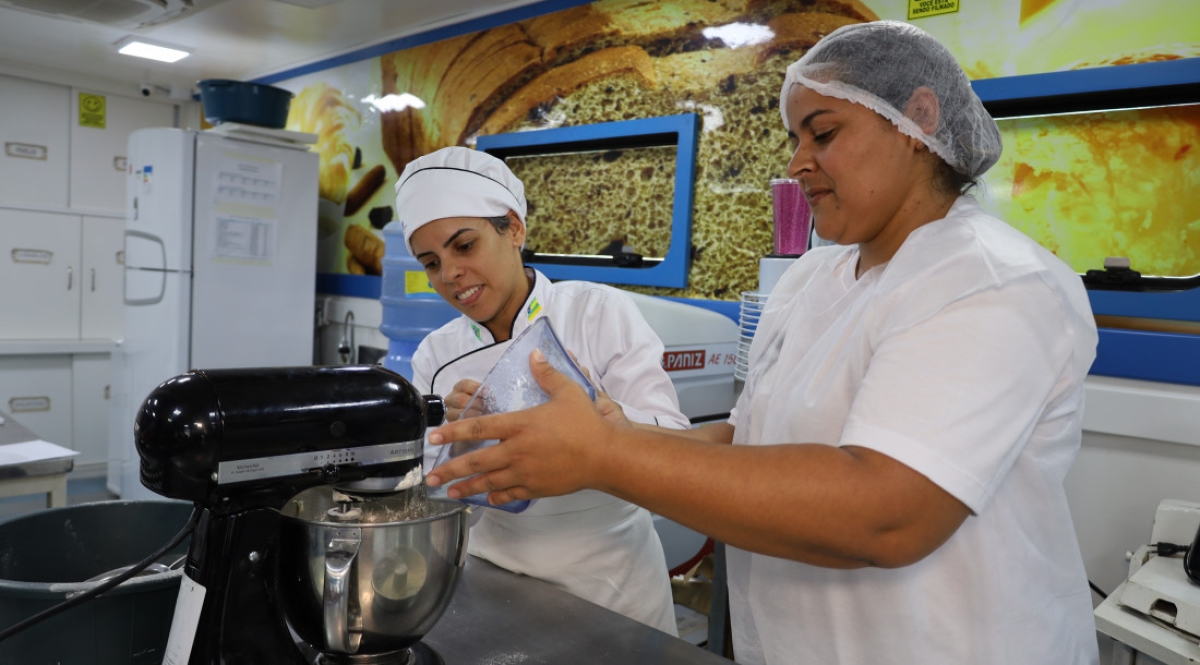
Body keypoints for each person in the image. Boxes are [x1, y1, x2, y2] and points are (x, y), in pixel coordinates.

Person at [425, 21, 1101, 665]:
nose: (796, 162)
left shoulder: (988, 280)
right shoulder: (815, 278)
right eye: (794, 137)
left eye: (823, 133)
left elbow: (887, 514)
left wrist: (604, 456)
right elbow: (748, 442)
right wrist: (616, 430)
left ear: (918, 120)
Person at [395, 146, 689, 636]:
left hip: (613, 584)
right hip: (495, 579)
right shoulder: (435, 355)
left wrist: (599, 419)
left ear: (514, 228)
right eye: (431, 262)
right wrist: (461, 440)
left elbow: (676, 445)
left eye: (464, 246)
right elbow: (430, 495)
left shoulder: (596, 314)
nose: (449, 275)